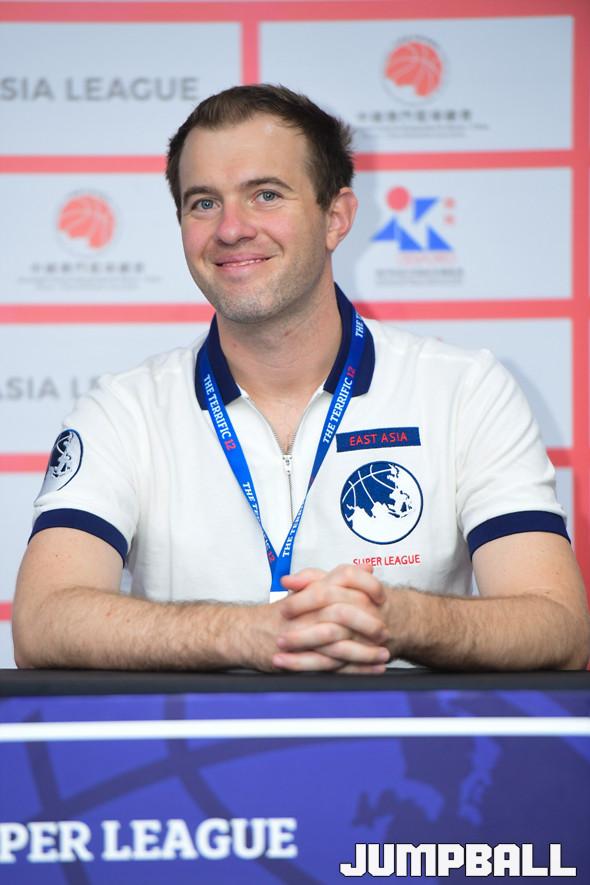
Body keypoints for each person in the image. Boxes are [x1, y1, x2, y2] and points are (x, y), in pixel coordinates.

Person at [12, 85, 590, 673]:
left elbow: (560, 627)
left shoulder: (465, 390)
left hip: (405, 734)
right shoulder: (123, 410)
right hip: (197, 736)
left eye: (265, 195)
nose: (231, 229)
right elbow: (42, 623)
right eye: (203, 203)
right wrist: (248, 634)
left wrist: (398, 619)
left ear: (335, 217)